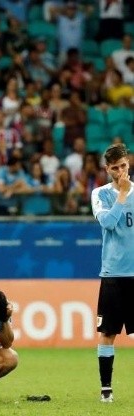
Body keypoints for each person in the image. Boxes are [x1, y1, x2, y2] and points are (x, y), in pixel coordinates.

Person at [90, 143, 134, 403]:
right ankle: (106, 390)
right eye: (115, 168)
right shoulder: (101, 194)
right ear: (107, 169)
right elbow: (107, 222)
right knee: (108, 333)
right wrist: (122, 196)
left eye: (124, 166)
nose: (120, 171)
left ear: (128, 164)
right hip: (114, 274)